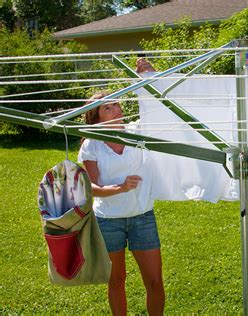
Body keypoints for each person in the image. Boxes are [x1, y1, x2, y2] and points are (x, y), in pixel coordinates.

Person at [78, 59, 164, 315]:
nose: (116, 109)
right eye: (108, 108)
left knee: (155, 281)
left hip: (142, 217)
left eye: (116, 104)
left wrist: (147, 77)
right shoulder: (91, 145)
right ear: (96, 118)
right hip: (109, 220)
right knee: (116, 281)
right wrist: (120, 188)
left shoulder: (138, 132)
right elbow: (91, 188)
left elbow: (157, 109)